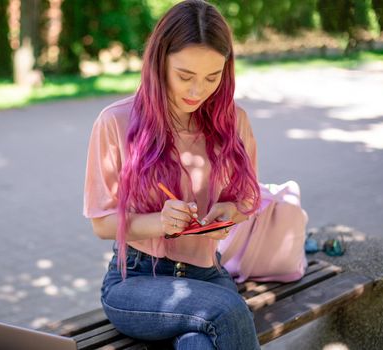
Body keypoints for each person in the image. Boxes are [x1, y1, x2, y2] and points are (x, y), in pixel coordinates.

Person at [83, 1, 261, 348]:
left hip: (207, 275)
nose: (197, 91)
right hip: (136, 280)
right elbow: (102, 224)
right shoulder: (115, 122)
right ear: (159, 61)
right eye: (184, 76)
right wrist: (160, 223)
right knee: (228, 310)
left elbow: (249, 198)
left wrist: (231, 213)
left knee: (198, 342)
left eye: (212, 77)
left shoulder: (232, 121)